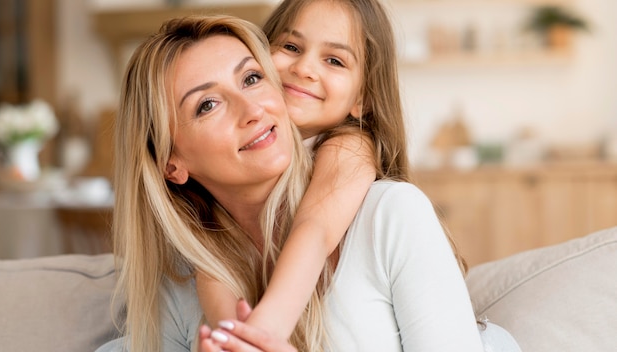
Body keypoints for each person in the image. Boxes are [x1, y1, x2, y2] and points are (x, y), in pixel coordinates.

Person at [96, 14, 518, 352]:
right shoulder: (180, 281)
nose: (253, 109)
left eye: (251, 78)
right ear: (172, 163)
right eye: (208, 105)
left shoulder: (391, 213)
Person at [195, 0, 430, 345]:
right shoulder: (233, 164)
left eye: (334, 60)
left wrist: (264, 330)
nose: (304, 68)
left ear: (361, 98)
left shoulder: (348, 147)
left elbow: (315, 231)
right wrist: (232, 338)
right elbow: (214, 254)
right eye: (291, 47)